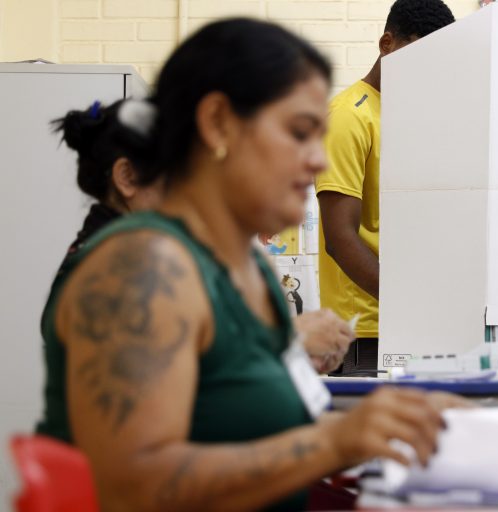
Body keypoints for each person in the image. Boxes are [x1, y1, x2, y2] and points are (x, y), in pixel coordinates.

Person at [37, 19, 466, 511]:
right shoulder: (145, 270)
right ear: (219, 123)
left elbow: (258, 434)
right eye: (298, 132)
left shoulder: (249, 268)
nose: (316, 160)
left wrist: (395, 421)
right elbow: (131, 484)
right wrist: (336, 441)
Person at [42, 100, 354, 377]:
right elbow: (158, 365)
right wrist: (290, 339)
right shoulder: (104, 267)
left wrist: (291, 358)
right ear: (128, 177)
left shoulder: (152, 253)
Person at [316, 0, 455, 375]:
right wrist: (410, 304)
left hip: (416, 331)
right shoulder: (349, 116)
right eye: (418, 57)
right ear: (386, 44)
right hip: (365, 336)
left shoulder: (413, 116)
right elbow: (339, 237)